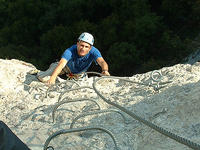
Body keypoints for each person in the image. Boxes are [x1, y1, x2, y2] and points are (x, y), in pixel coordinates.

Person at [37, 32, 110, 84]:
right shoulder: (70, 51)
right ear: (77, 43)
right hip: (65, 67)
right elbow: (61, 64)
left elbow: (102, 62)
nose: (83, 48)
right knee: (43, 78)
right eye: (81, 45)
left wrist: (105, 70)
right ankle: (40, 73)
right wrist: (53, 77)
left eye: (86, 47)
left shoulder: (94, 51)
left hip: (79, 73)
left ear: (90, 48)